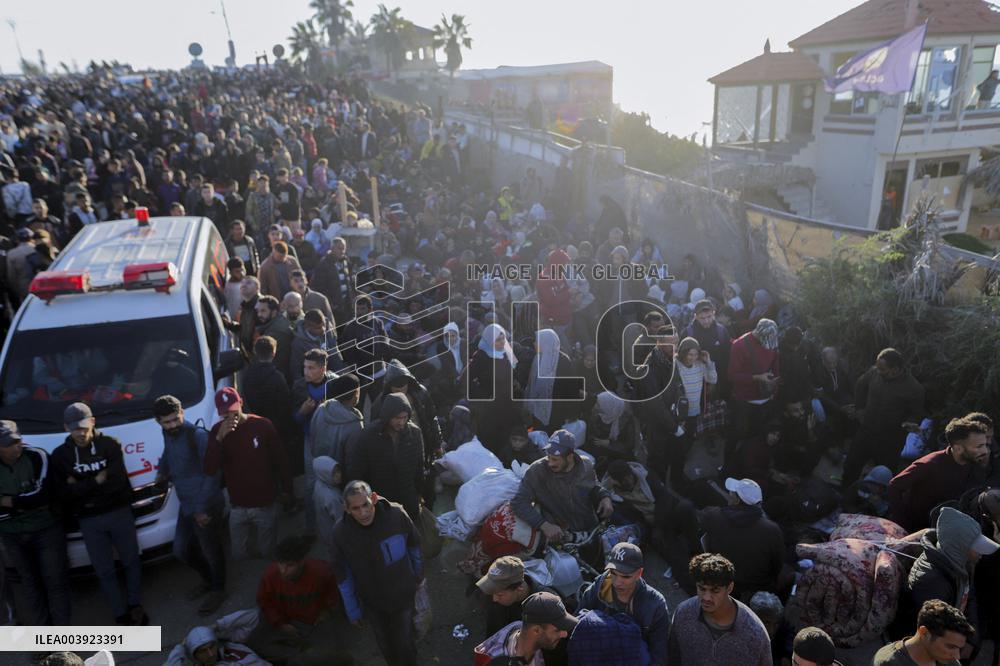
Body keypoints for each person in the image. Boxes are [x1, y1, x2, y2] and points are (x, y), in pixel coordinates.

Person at [51, 403, 147, 626]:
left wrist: (79, 485)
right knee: (104, 570)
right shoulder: (60, 456)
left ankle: (134, 604)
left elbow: (117, 483)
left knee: (131, 560)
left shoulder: (110, 445)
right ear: (66, 428)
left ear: (93, 422)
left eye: (84, 427)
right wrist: (96, 481)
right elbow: (63, 494)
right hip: (89, 520)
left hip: (118, 512)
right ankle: (119, 614)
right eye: (75, 429)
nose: (80, 433)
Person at [331, 481, 422, 666]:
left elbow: (414, 546)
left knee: (404, 643)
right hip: (372, 602)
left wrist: (418, 576)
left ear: (373, 498)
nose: (363, 513)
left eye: (365, 505)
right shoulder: (340, 533)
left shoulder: (396, 515)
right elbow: (343, 576)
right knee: (385, 644)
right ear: (347, 509)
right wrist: (352, 610)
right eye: (355, 508)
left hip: (402, 596)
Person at [153, 395, 226, 616]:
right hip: (187, 504)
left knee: (211, 550)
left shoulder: (198, 436)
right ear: (158, 422)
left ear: (182, 413)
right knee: (181, 550)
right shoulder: (167, 433)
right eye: (167, 422)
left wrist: (202, 509)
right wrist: (162, 471)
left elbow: (213, 474)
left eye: (176, 419)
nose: (172, 425)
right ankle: (208, 579)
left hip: (205, 505)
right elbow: (168, 453)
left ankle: (218, 590)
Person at [204, 388, 292, 560]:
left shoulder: (262, 425)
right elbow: (209, 469)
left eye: (233, 411)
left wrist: (288, 490)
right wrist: (219, 439)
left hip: (265, 505)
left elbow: (281, 460)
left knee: (268, 553)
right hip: (237, 507)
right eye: (225, 414)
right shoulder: (217, 431)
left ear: (241, 403)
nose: (230, 417)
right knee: (239, 555)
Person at [0, 420, 71, 626]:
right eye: (9, 444)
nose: (17, 447)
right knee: (30, 585)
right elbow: (32, 500)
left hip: (46, 530)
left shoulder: (37, 456)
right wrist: (24, 503)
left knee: (55, 582)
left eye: (18, 441)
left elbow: (42, 496)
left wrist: (7, 501)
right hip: (12, 535)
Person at [897, 507, 998, 643]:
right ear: (959, 547)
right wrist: (962, 644)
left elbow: (968, 597)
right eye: (977, 547)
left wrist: (971, 639)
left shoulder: (962, 563)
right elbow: (934, 632)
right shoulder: (931, 582)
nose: (981, 553)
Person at [247, 535, 345, 666]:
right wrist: (280, 623)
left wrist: (326, 611)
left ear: (302, 561)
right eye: (280, 564)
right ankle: (298, 655)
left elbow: (333, 595)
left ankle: (299, 655)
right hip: (285, 620)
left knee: (332, 653)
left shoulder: (321, 571)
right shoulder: (270, 575)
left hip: (313, 623)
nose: (283, 570)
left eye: (289, 565)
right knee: (254, 643)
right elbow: (264, 601)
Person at [666, 553, 772, 665]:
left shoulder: (754, 633)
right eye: (702, 589)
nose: (707, 597)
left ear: (729, 588)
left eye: (715, 591)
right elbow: (673, 658)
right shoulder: (683, 614)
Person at [511, 430, 613, 547]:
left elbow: (594, 486)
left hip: (591, 530)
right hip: (562, 538)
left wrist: (604, 497)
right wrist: (544, 525)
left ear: (570, 457)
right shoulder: (537, 471)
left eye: (555, 459)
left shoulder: (586, 465)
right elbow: (518, 502)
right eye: (548, 457)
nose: (550, 463)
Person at [888, 416, 990, 532]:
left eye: (985, 445)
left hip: (948, 529)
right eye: (979, 446)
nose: (985, 451)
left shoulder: (973, 463)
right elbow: (894, 486)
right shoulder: (930, 464)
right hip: (917, 530)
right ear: (958, 449)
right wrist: (904, 524)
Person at [577, 542, 670, 665]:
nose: (617, 582)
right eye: (613, 573)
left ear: (639, 573)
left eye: (625, 577)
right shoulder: (600, 586)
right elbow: (577, 624)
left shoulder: (656, 605)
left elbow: (659, 654)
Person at [843, 348, 925, 486]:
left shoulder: (914, 389)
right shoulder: (874, 373)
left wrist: (911, 422)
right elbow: (860, 385)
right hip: (866, 430)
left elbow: (917, 414)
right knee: (851, 464)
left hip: (890, 441)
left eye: (883, 370)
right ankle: (846, 490)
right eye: (877, 368)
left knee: (884, 475)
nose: (878, 372)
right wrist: (859, 409)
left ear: (896, 369)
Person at [700, 478, 785, 600]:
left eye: (732, 493)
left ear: (737, 500)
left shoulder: (714, 516)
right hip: (757, 588)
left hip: (722, 581)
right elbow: (777, 566)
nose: (729, 494)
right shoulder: (772, 530)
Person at [347, 393, 425, 521]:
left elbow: (419, 467)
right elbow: (357, 471)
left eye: (404, 417)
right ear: (387, 416)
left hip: (408, 498)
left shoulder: (414, 433)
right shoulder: (369, 436)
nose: (401, 422)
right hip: (381, 501)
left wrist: (419, 493)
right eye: (397, 418)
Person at [727, 318, 780, 470]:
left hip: (765, 401)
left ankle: (752, 468)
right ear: (757, 333)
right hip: (744, 402)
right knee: (737, 436)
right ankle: (728, 467)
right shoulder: (739, 345)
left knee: (757, 438)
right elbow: (732, 376)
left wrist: (774, 386)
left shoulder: (773, 341)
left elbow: (776, 366)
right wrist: (757, 378)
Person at [466, 323, 521, 464]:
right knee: (490, 437)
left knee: (507, 434)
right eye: (498, 340)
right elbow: (466, 379)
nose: (502, 342)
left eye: (503, 339)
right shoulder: (482, 356)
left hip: (507, 403)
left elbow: (515, 370)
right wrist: (482, 395)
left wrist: (515, 382)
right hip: (490, 407)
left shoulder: (507, 351)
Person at [474, 592, 578, 666]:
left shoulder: (520, 627)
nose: (564, 634)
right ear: (536, 630)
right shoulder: (498, 661)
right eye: (557, 630)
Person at [875, 599, 974, 666]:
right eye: (951, 647)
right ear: (924, 632)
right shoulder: (889, 663)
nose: (957, 656)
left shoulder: (950, 662)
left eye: (959, 648)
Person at [308, 373, 364, 477]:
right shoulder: (355, 424)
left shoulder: (322, 409)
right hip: (339, 475)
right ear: (356, 393)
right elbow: (352, 459)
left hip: (320, 469)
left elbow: (312, 437)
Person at [524, 328, 578, 433]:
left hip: (556, 410)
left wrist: (571, 414)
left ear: (546, 343)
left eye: (537, 341)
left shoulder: (563, 361)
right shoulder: (537, 358)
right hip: (537, 408)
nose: (534, 344)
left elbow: (571, 389)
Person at [240, 336, 293, 441]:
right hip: (274, 427)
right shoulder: (278, 377)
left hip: (252, 425)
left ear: (255, 351)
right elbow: (285, 405)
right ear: (274, 353)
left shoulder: (246, 375)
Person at [683, 299, 732, 393]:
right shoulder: (688, 333)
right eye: (702, 318)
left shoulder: (722, 331)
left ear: (714, 314)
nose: (706, 321)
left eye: (709, 316)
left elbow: (727, 357)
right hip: (695, 381)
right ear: (695, 317)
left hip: (720, 380)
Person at [290, 310, 344, 383]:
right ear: (307, 327)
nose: (323, 329)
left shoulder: (328, 328)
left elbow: (335, 352)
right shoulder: (298, 344)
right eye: (318, 328)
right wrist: (302, 386)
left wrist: (341, 375)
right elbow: (296, 369)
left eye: (323, 325)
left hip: (332, 377)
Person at [312, 237, 355, 326]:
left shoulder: (346, 261)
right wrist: (330, 303)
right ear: (332, 248)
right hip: (334, 306)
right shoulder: (324, 263)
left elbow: (350, 280)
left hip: (346, 304)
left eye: (343, 248)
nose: (342, 251)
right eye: (339, 248)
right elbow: (319, 286)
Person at [253, 296, 294, 381]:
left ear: (274, 312)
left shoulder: (277, 331)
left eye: (263, 311)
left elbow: (266, 357)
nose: (259, 314)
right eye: (258, 311)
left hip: (276, 378)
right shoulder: (273, 325)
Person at [312, 455, 344, 562]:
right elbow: (341, 520)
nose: (339, 475)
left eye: (338, 470)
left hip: (325, 530)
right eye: (333, 473)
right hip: (336, 536)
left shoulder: (319, 484)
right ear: (324, 474)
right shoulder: (332, 498)